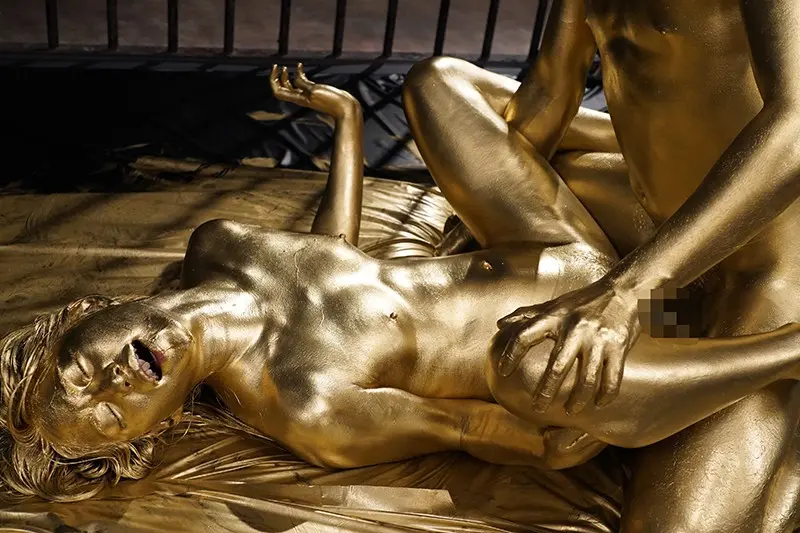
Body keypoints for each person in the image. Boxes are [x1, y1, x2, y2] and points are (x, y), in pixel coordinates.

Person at [1, 66, 799, 508]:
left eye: (82, 371)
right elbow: (474, 428)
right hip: (582, 340)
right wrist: (576, 418)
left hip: (556, 242)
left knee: (434, 85)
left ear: (85, 314)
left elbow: (330, 257)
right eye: (114, 417)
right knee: (521, 362)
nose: (114, 384)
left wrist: (347, 122)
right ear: (158, 426)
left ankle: (707, 170)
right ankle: (786, 350)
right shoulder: (306, 407)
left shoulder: (217, 244)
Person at [407, 1, 800, 530]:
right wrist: (484, 213)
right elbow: (553, 85)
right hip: (658, 227)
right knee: (439, 84)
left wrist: (627, 291)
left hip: (767, 264)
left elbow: (796, 127)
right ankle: (669, 325)